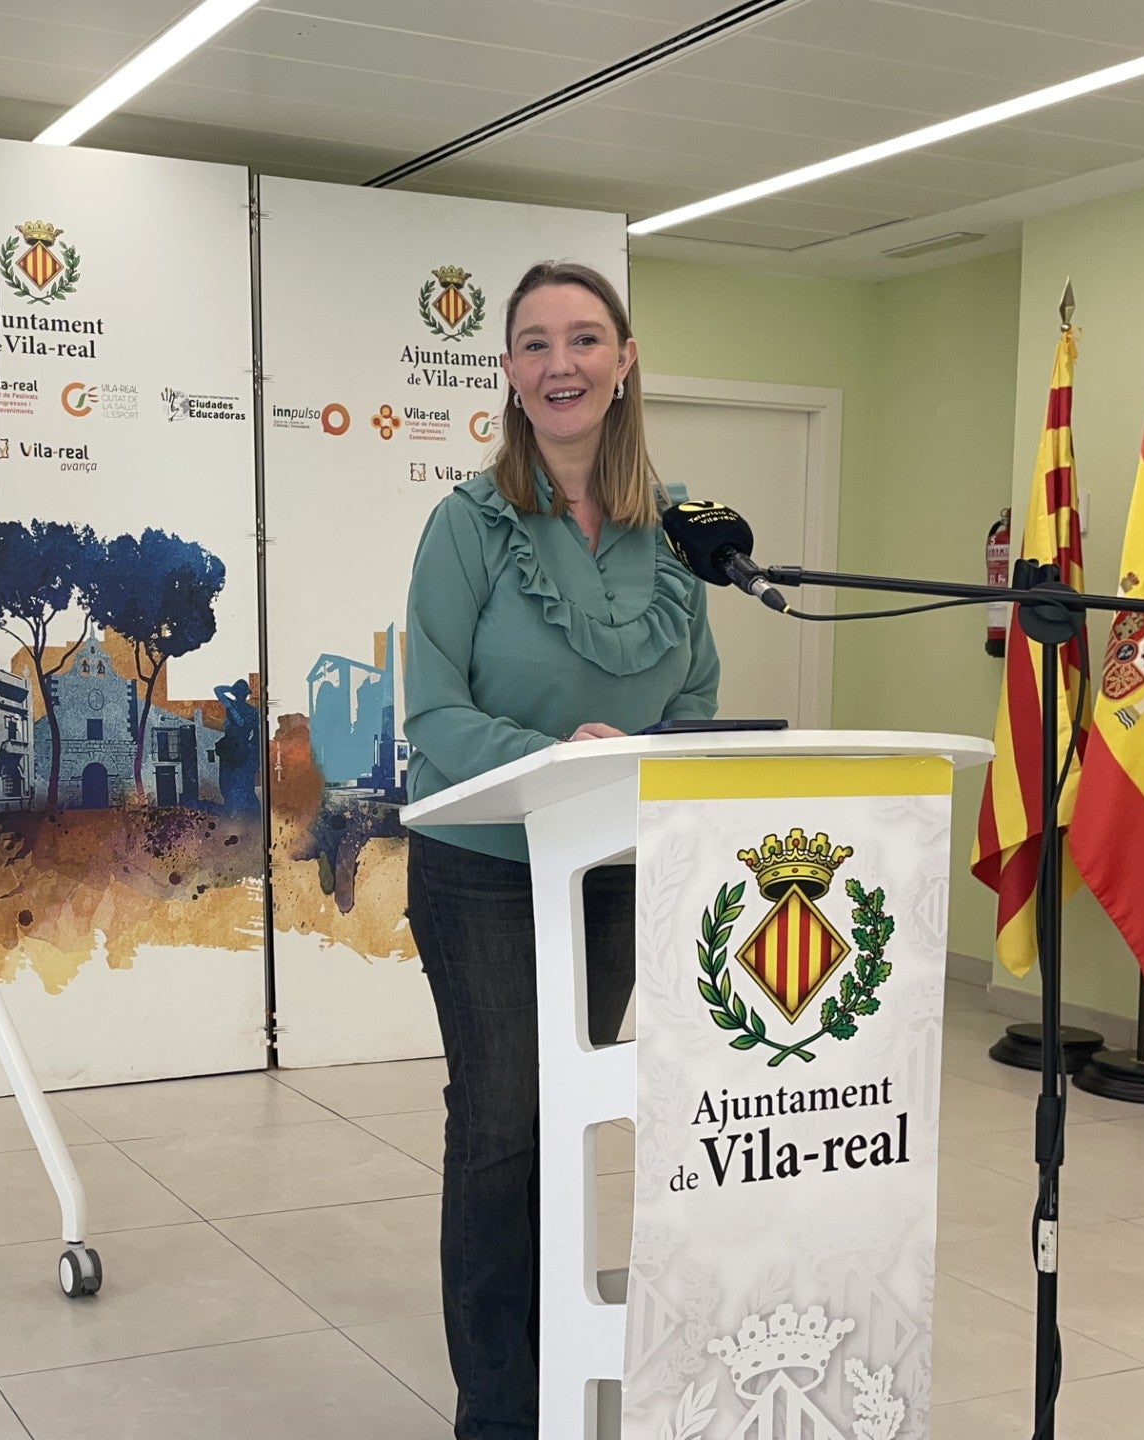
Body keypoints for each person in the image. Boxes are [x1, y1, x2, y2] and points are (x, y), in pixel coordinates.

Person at [403, 259, 718, 1440]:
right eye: (535, 344)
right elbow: (430, 713)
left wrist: (639, 768)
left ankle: (567, 1368)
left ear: (624, 362)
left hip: (611, 870)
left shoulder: (679, 538)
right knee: (498, 1128)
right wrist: (562, 753)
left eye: (585, 339)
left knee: (569, 1118)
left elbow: (697, 704)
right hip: (485, 866)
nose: (561, 364)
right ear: (509, 376)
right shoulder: (468, 525)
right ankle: (498, 1409)